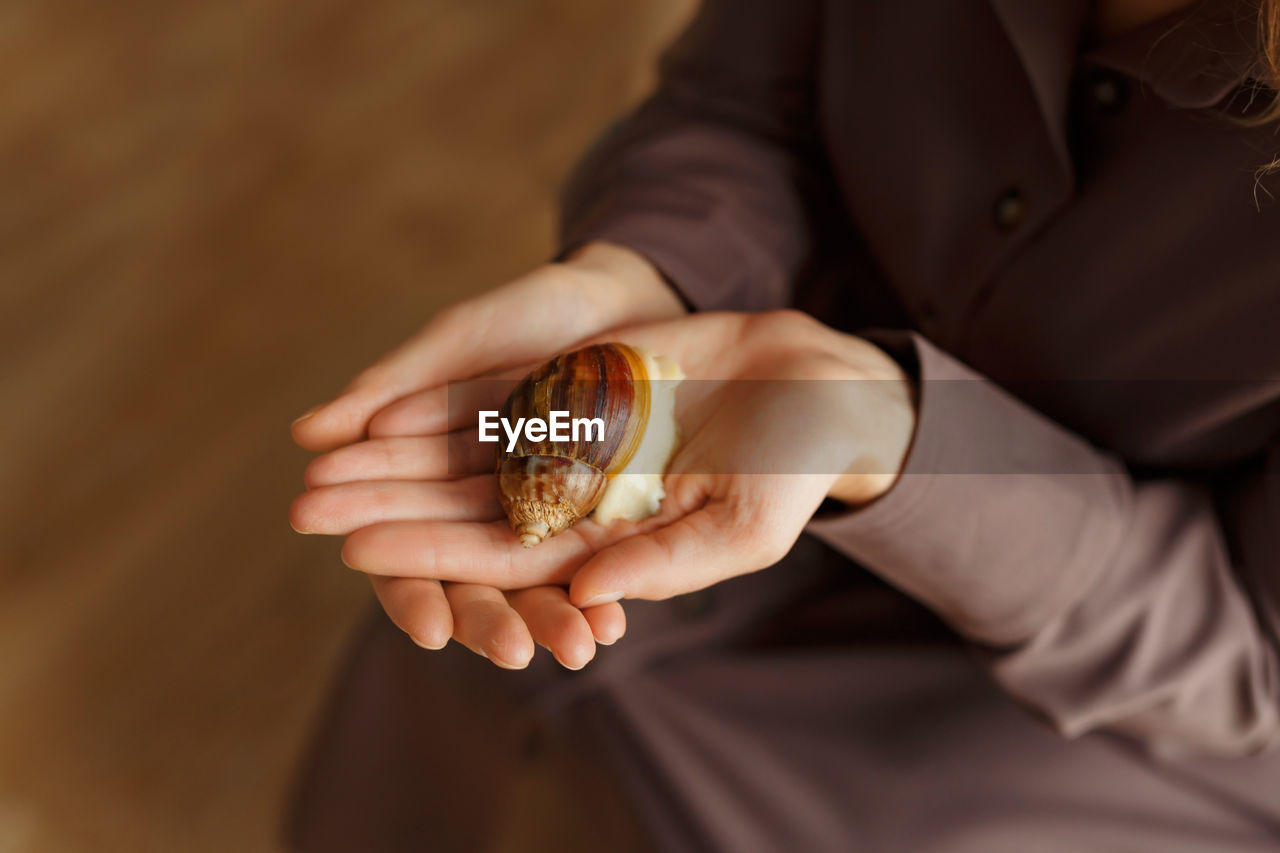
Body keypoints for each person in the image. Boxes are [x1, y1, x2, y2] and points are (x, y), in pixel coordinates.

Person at [287, 0, 1280, 849]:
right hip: (724, 404)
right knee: (464, 649)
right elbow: (742, 103)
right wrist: (647, 274)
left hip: (1097, 691)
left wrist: (896, 441)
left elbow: (1246, 658)